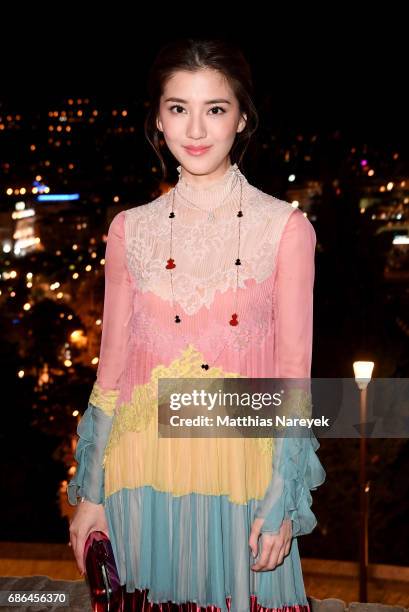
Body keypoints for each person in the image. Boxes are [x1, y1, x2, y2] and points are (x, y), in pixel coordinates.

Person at [68, 36, 326, 612]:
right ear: (158, 120)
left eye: (215, 109)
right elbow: (109, 375)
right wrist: (91, 496)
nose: (196, 129)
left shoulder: (285, 231)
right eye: (178, 108)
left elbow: (294, 381)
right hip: (139, 484)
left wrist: (281, 499)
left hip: (243, 488)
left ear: (241, 119)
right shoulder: (128, 230)